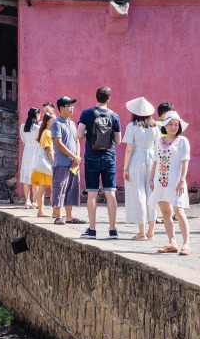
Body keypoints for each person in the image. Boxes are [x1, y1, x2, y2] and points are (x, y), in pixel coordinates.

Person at [76, 86, 122, 238]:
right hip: (109, 157)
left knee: (92, 194)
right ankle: (113, 230)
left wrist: (89, 132)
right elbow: (118, 140)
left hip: (91, 157)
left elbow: (79, 135)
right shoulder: (114, 116)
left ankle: (92, 230)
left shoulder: (87, 114)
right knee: (110, 193)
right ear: (109, 98)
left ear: (96, 97)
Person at [149, 112, 191, 255]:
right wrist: (151, 177)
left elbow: (185, 161)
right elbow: (155, 160)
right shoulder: (159, 141)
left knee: (179, 211)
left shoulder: (182, 141)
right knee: (165, 212)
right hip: (160, 182)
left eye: (176, 124)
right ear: (164, 126)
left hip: (175, 181)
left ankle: (186, 244)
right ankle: (172, 242)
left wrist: (182, 180)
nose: (173, 127)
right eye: (170, 124)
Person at [122, 97, 159, 240]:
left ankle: (141, 232)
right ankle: (151, 232)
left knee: (139, 194)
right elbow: (157, 146)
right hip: (151, 158)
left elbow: (129, 149)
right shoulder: (155, 126)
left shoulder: (132, 126)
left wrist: (125, 168)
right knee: (151, 194)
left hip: (137, 159)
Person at [50, 96, 86, 225]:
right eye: (69, 106)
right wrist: (73, 156)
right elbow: (58, 144)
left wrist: (77, 156)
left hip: (73, 163)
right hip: (61, 162)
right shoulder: (56, 123)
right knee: (60, 188)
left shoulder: (71, 123)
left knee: (72, 188)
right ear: (61, 108)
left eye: (73, 105)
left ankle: (70, 216)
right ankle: (58, 216)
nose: (72, 108)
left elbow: (77, 140)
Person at [32, 111, 56, 218]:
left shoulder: (46, 132)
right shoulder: (47, 133)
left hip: (44, 165)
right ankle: (55, 211)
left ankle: (40, 211)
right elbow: (49, 150)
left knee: (42, 189)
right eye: (53, 119)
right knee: (54, 188)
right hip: (48, 164)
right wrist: (54, 164)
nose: (55, 121)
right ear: (48, 121)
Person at [19, 107, 41, 208]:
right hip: (36, 152)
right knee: (35, 179)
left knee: (26, 178)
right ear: (37, 115)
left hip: (27, 152)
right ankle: (34, 201)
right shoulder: (37, 128)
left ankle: (27, 201)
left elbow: (23, 140)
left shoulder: (23, 126)